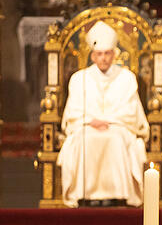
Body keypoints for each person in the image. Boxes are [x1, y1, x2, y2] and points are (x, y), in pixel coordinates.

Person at [57, 21, 149, 208]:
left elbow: (131, 112)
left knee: (114, 139)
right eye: (99, 54)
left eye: (107, 53)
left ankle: (117, 194)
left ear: (114, 54)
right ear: (92, 56)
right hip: (86, 127)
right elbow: (73, 111)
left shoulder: (127, 78)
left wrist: (108, 121)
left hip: (118, 128)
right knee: (85, 140)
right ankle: (86, 195)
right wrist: (91, 121)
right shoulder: (79, 78)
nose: (104, 58)